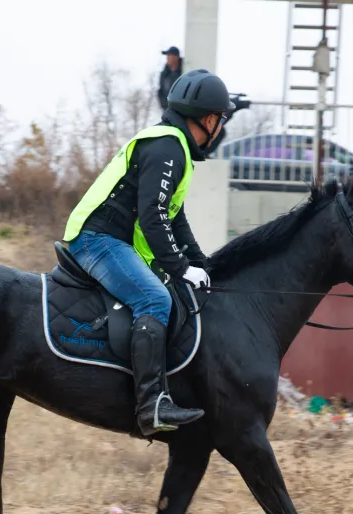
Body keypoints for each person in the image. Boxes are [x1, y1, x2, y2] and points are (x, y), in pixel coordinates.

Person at [63, 69, 234, 436]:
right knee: (156, 300)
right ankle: (151, 404)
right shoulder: (168, 148)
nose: (220, 129)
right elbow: (153, 216)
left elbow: (175, 217)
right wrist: (179, 267)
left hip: (111, 240)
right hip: (97, 240)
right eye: (221, 120)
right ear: (208, 120)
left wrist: (201, 264)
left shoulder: (174, 149)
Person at [156, 46, 184, 112]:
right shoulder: (164, 74)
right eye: (167, 56)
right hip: (169, 110)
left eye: (169, 55)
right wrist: (165, 107)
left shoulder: (184, 71)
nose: (167, 58)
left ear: (176, 57)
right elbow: (160, 92)